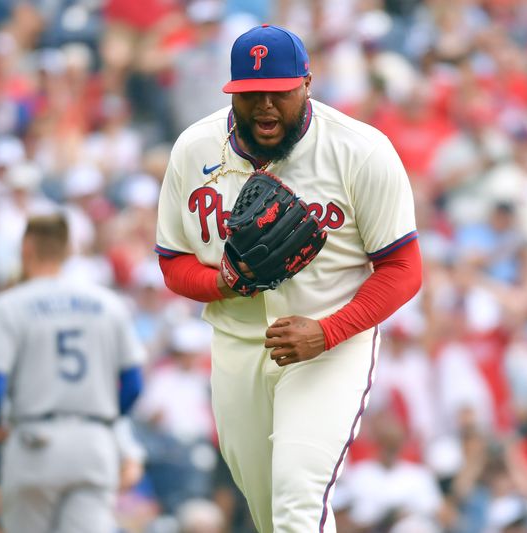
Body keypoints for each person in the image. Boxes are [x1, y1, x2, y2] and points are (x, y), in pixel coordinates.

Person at [154, 24, 422, 532]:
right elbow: (173, 261)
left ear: (307, 83)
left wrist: (328, 332)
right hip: (237, 346)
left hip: (330, 342)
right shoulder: (194, 149)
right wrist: (223, 282)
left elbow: (404, 270)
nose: (265, 107)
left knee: (298, 498)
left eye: (279, 92)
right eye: (251, 94)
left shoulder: (360, 150)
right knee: (270, 514)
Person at [0, 212, 146, 532]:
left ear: (26, 249)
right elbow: (133, 384)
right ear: (67, 251)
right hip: (94, 443)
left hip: (34, 441)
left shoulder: (11, 304)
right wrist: (104, 418)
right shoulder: (108, 303)